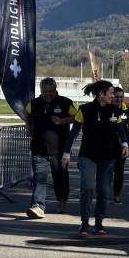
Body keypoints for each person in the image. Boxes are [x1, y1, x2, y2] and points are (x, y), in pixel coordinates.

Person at [63, 80, 129, 237]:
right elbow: (73, 133)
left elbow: (120, 129)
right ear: (102, 94)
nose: (113, 96)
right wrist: (66, 152)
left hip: (108, 157)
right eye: (111, 93)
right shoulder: (85, 110)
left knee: (104, 190)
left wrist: (125, 143)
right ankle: (85, 223)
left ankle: (99, 222)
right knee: (87, 187)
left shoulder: (115, 110)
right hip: (88, 155)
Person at [25, 77, 77, 218]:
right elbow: (27, 113)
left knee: (60, 177)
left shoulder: (65, 102)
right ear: (41, 90)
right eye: (44, 92)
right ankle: (38, 206)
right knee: (39, 177)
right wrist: (29, 127)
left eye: (50, 91)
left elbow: (76, 116)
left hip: (59, 150)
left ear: (55, 90)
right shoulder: (34, 103)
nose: (47, 94)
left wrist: (63, 121)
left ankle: (62, 201)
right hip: (39, 148)